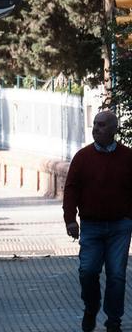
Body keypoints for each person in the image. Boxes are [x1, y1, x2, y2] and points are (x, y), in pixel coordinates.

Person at [63, 109, 132, 332]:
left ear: (114, 129)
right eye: (95, 124)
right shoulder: (83, 157)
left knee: (117, 274)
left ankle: (114, 319)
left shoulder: (127, 157)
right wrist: (70, 219)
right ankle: (91, 307)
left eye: (102, 125)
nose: (96, 129)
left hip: (120, 225)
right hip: (91, 225)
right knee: (88, 271)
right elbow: (71, 189)